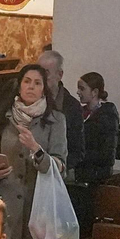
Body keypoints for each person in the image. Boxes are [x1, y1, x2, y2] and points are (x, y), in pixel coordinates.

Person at [0, 63, 68, 239]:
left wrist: (36, 149)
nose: (31, 87)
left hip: (37, 204)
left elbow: (60, 166)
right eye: (27, 81)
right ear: (19, 86)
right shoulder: (2, 117)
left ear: (44, 88)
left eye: (37, 83)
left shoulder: (56, 120)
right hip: (5, 201)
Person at [38, 49, 86, 179]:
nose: (41, 78)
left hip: (60, 173)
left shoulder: (71, 107)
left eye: (46, 73)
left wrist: (56, 165)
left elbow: (77, 150)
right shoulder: (31, 102)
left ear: (59, 75)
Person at [73, 73, 120, 185]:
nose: (78, 92)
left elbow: (107, 154)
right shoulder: (78, 112)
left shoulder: (107, 115)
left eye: (82, 89)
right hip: (80, 168)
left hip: (96, 173)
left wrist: (78, 155)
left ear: (94, 92)